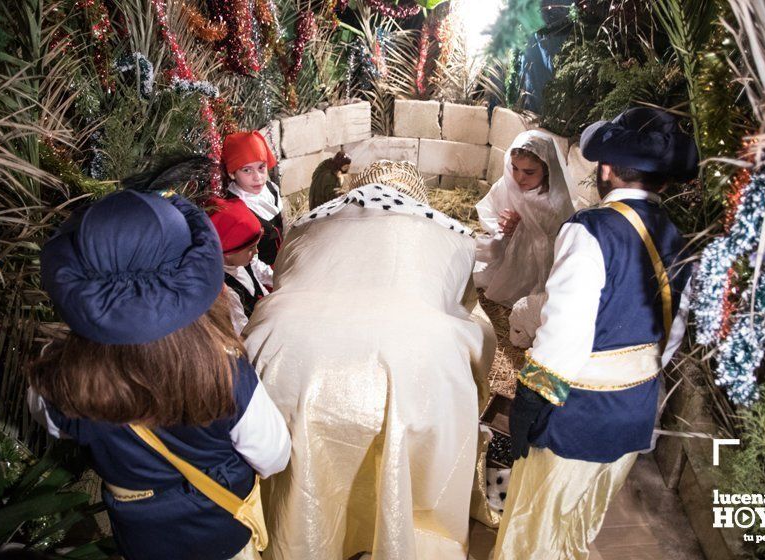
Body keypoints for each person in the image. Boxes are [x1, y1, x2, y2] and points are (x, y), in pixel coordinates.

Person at [242, 160, 496, 560]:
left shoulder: (308, 223)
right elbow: (465, 309)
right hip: (409, 363)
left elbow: (285, 278)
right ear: (418, 197)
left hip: (287, 360)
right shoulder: (451, 233)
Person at [27, 183, 291, 560]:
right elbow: (273, 455)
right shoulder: (225, 370)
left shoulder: (57, 377)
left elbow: (51, 422)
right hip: (221, 534)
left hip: (142, 538)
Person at [493, 107, 697, 559]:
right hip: (636, 410)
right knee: (582, 520)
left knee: (538, 531)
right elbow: (671, 333)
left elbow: (564, 338)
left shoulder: (591, 232)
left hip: (578, 415)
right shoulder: (678, 237)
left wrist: (529, 403)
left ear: (605, 169)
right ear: (661, 181)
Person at [474, 130, 575, 307]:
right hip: (507, 253)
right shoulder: (509, 183)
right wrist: (504, 227)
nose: (519, 178)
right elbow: (490, 209)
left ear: (546, 169)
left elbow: (549, 251)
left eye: (529, 172)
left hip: (536, 268)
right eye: (515, 168)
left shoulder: (555, 202)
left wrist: (520, 229)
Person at [209, 196, 270, 335]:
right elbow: (242, 331)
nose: (256, 252)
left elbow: (263, 273)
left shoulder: (245, 261)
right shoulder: (226, 292)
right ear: (228, 252)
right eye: (251, 248)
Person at [223, 131, 284, 267]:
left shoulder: (271, 189)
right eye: (247, 170)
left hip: (284, 262)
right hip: (266, 277)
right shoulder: (234, 209)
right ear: (232, 173)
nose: (258, 177)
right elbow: (249, 264)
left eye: (261, 167)